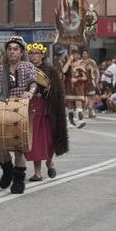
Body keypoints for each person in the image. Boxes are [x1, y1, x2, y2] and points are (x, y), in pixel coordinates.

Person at [0, 35, 36, 194]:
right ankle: (7, 171)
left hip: (20, 113)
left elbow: (33, 83)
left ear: (21, 51)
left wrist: (30, 92)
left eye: (16, 49)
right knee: (2, 148)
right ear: (6, 52)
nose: (12, 52)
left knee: (19, 149)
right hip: (3, 112)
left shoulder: (27, 67)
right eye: (10, 49)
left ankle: (18, 181)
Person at [26, 43, 68, 181]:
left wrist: (48, 90)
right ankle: (37, 173)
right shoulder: (25, 69)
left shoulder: (50, 70)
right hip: (31, 109)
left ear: (42, 55)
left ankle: (49, 162)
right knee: (34, 141)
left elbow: (58, 91)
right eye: (31, 53)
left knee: (48, 140)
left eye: (37, 53)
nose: (34, 56)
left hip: (47, 109)